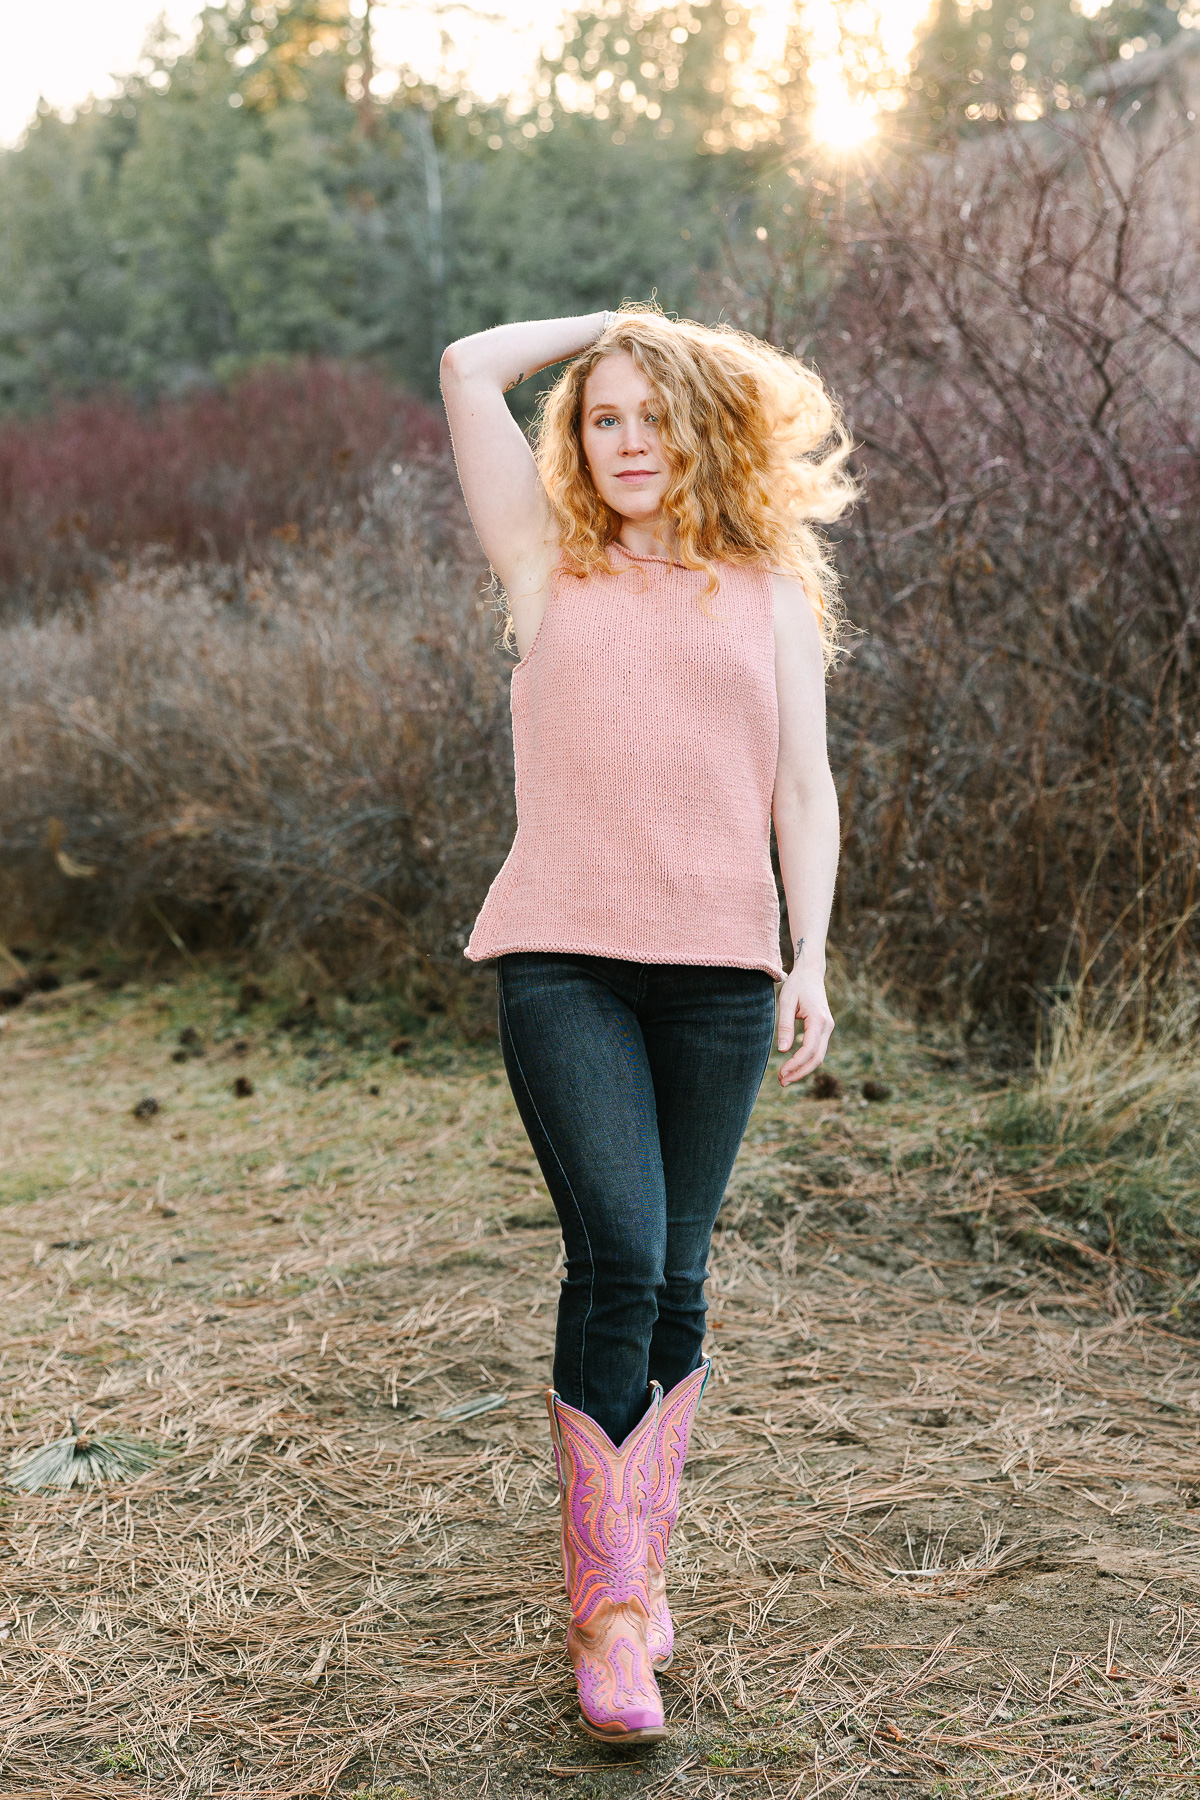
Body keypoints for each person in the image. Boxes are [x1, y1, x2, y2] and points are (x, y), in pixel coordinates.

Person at [439, 306, 853, 1744]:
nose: (626, 440)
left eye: (652, 412)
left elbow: (803, 792)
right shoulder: (543, 566)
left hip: (724, 974)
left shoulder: (771, 597)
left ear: (701, 429)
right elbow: (467, 369)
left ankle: (640, 1568)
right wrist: (615, 325)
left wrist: (809, 960)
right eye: (602, 414)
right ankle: (608, 1618)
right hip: (565, 964)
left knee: (677, 1279)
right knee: (617, 1254)